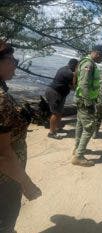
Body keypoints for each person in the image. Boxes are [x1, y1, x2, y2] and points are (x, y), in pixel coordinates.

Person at [0, 40, 42, 233]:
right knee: (5, 219)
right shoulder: (1, 99)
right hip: (6, 177)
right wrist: (27, 185)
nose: (15, 63)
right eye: (11, 59)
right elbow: (3, 154)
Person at [72, 45, 102, 167]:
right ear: (98, 54)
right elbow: (84, 84)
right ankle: (79, 156)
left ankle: (77, 148)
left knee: (80, 124)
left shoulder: (86, 61)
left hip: (81, 99)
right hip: (85, 101)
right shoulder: (89, 64)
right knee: (89, 128)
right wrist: (88, 100)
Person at [45, 58, 78, 139]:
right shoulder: (69, 73)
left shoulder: (63, 68)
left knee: (59, 112)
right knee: (55, 113)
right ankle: (51, 133)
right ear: (75, 66)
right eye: (78, 66)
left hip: (58, 93)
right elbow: (74, 87)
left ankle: (57, 128)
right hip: (54, 93)